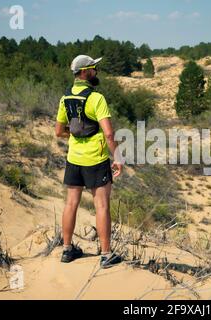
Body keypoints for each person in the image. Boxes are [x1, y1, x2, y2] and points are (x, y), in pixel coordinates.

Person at [55, 55, 123, 268]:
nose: (97, 72)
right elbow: (109, 134)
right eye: (95, 68)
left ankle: (67, 250)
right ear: (85, 72)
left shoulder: (65, 97)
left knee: (71, 203)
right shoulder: (96, 98)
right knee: (101, 205)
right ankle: (105, 255)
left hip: (74, 158)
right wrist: (118, 157)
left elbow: (59, 131)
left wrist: (76, 137)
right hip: (96, 159)